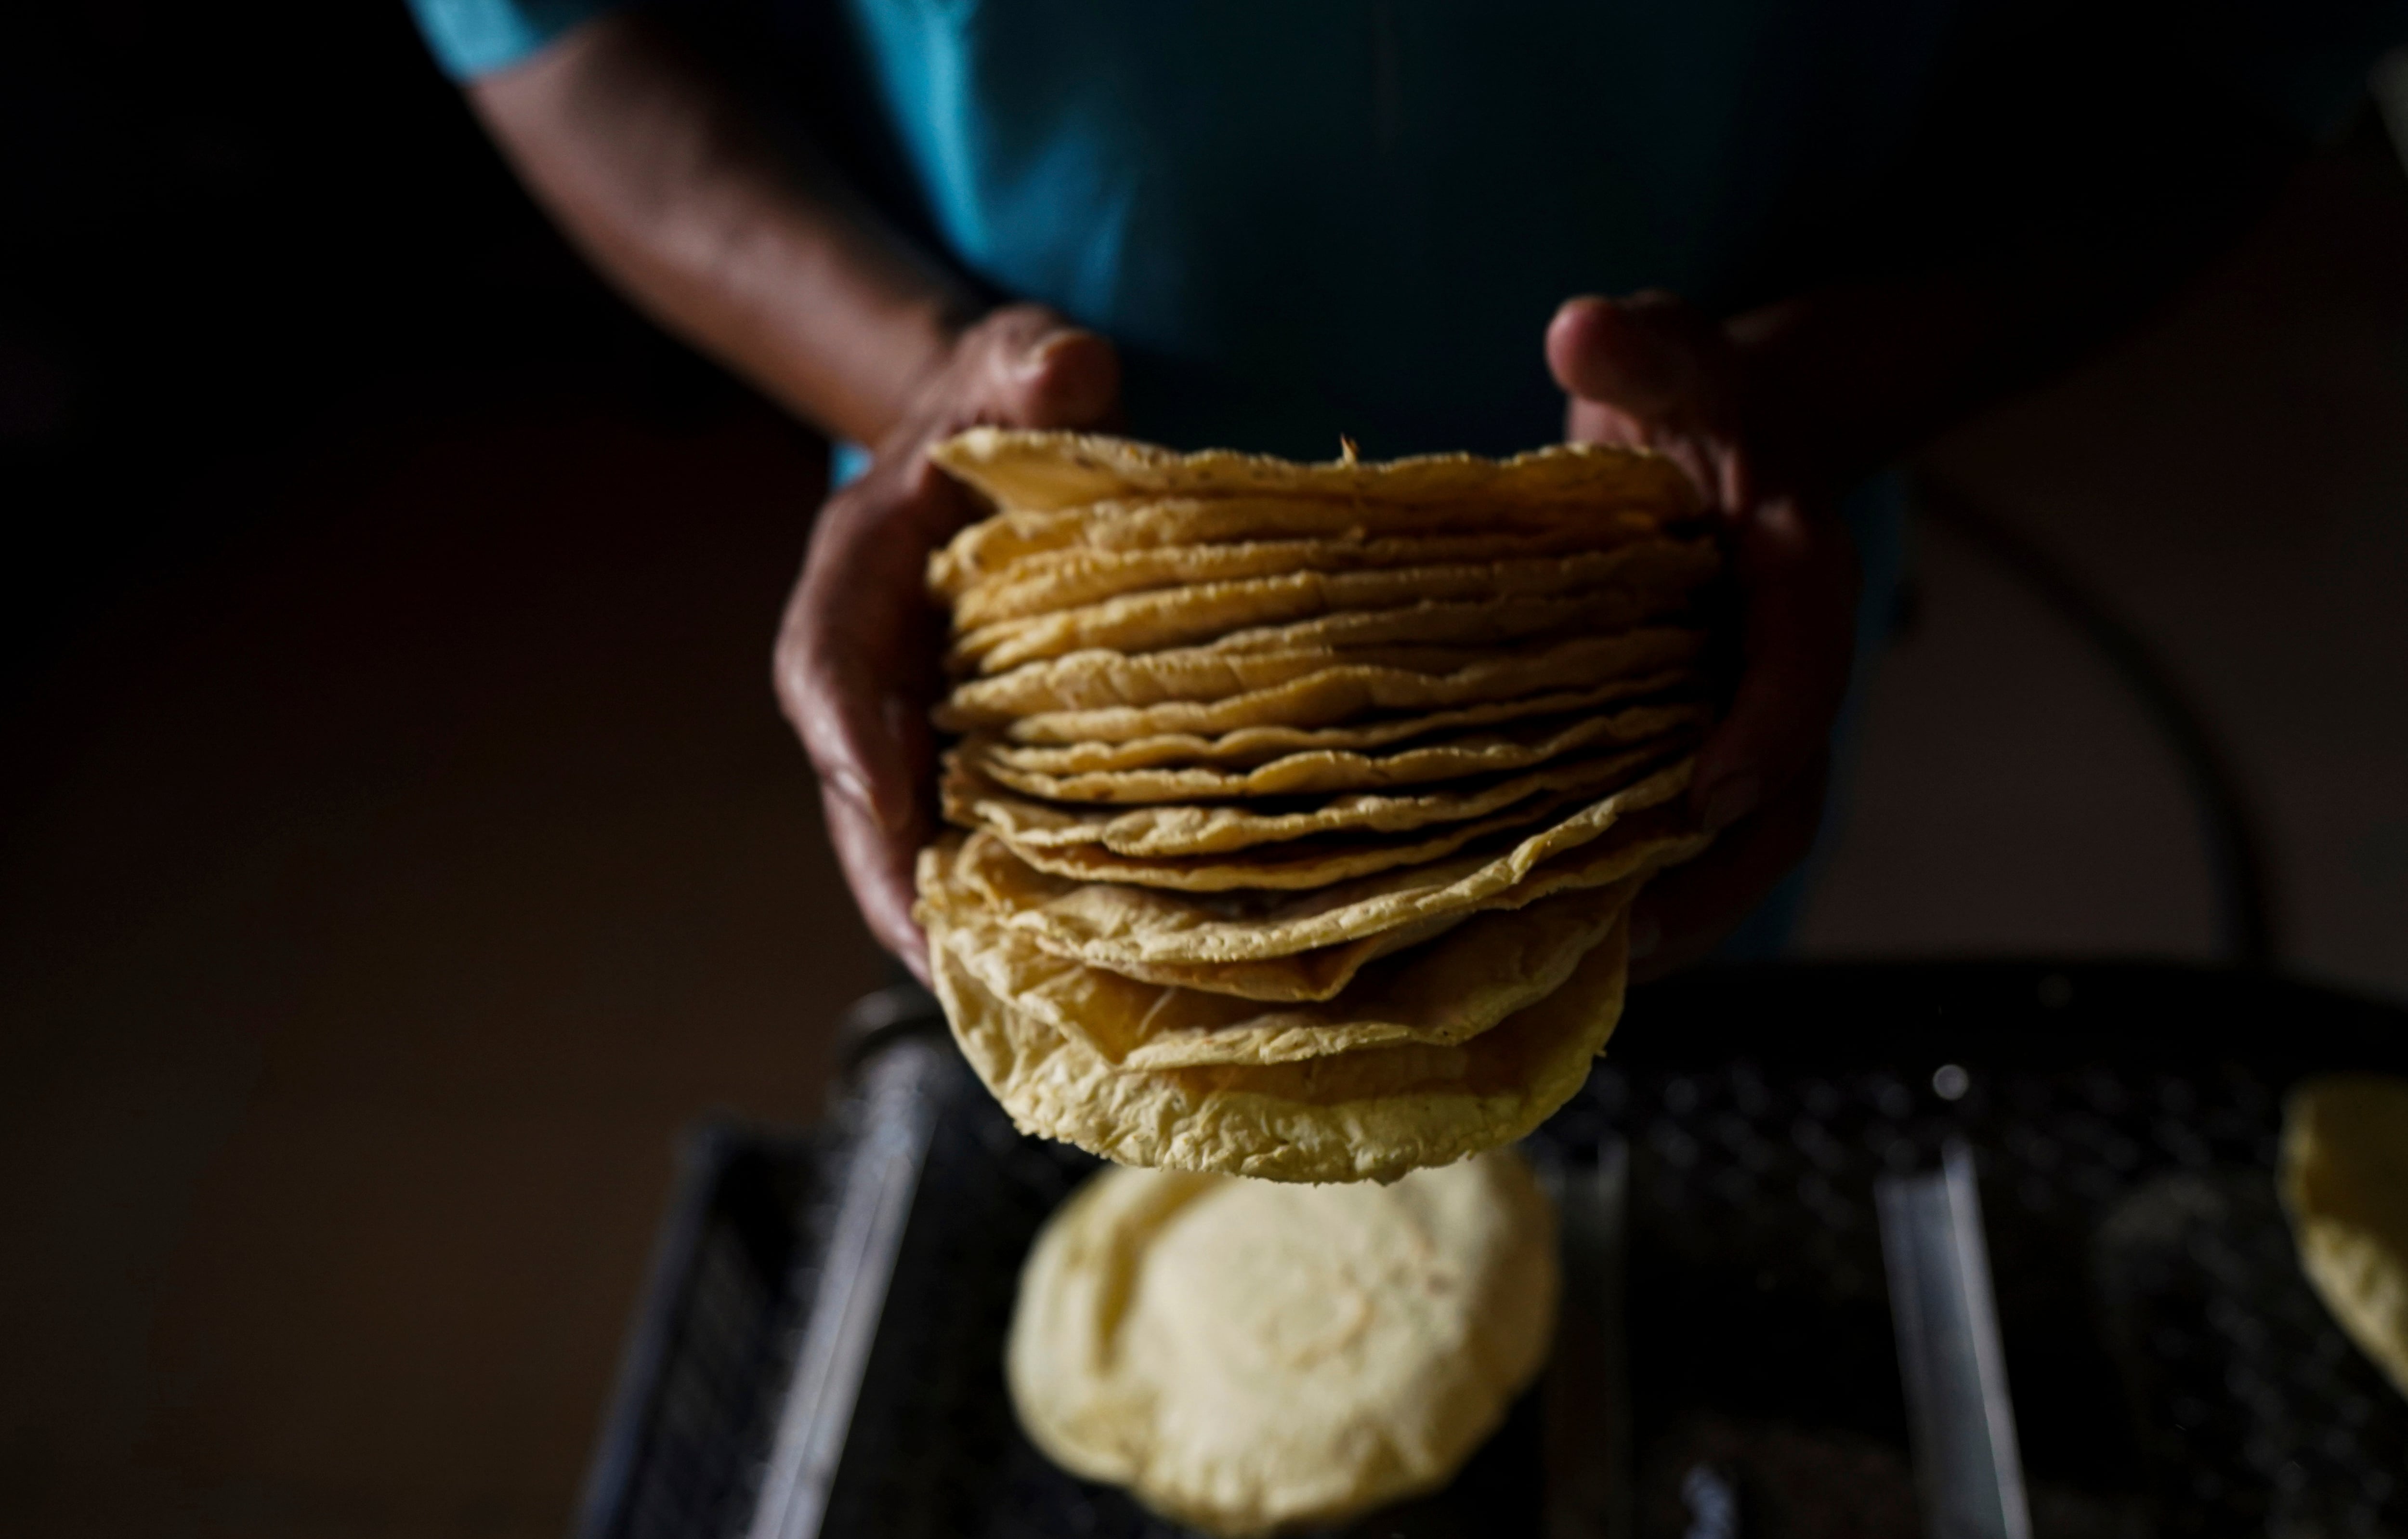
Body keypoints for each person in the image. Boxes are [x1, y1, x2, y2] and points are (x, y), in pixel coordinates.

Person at [412, 0, 2401, 984]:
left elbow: (2241, 34)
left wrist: (1808, 393)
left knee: (1629, 1115)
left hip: (1678, 649)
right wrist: (914, 381)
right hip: (1026, 665)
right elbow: (549, 26)